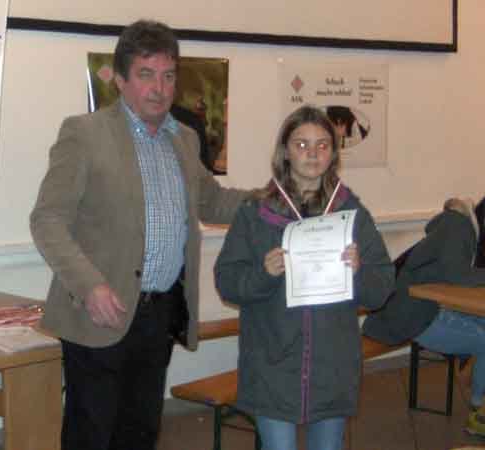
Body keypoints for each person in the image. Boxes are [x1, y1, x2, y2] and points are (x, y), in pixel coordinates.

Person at [30, 20, 246, 450]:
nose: (159, 89)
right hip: (100, 312)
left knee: (140, 433)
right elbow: (47, 219)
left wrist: (278, 198)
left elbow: (213, 202)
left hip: (159, 314)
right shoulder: (84, 134)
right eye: (146, 74)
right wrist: (89, 286)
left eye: (168, 76)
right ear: (121, 79)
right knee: (92, 435)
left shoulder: (184, 139)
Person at [213, 105, 394, 450]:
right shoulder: (255, 213)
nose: (312, 153)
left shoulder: (352, 213)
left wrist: (359, 272)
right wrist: (263, 274)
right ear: (285, 152)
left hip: (331, 369)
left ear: (334, 153)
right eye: (301, 144)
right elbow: (227, 281)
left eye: (322, 145)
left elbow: (382, 288)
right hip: (273, 367)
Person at [362, 197, 485, 436]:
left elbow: (451, 274)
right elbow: (458, 275)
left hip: (404, 312)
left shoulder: (448, 228)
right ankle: (479, 412)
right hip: (411, 319)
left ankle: (476, 379)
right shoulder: (458, 228)